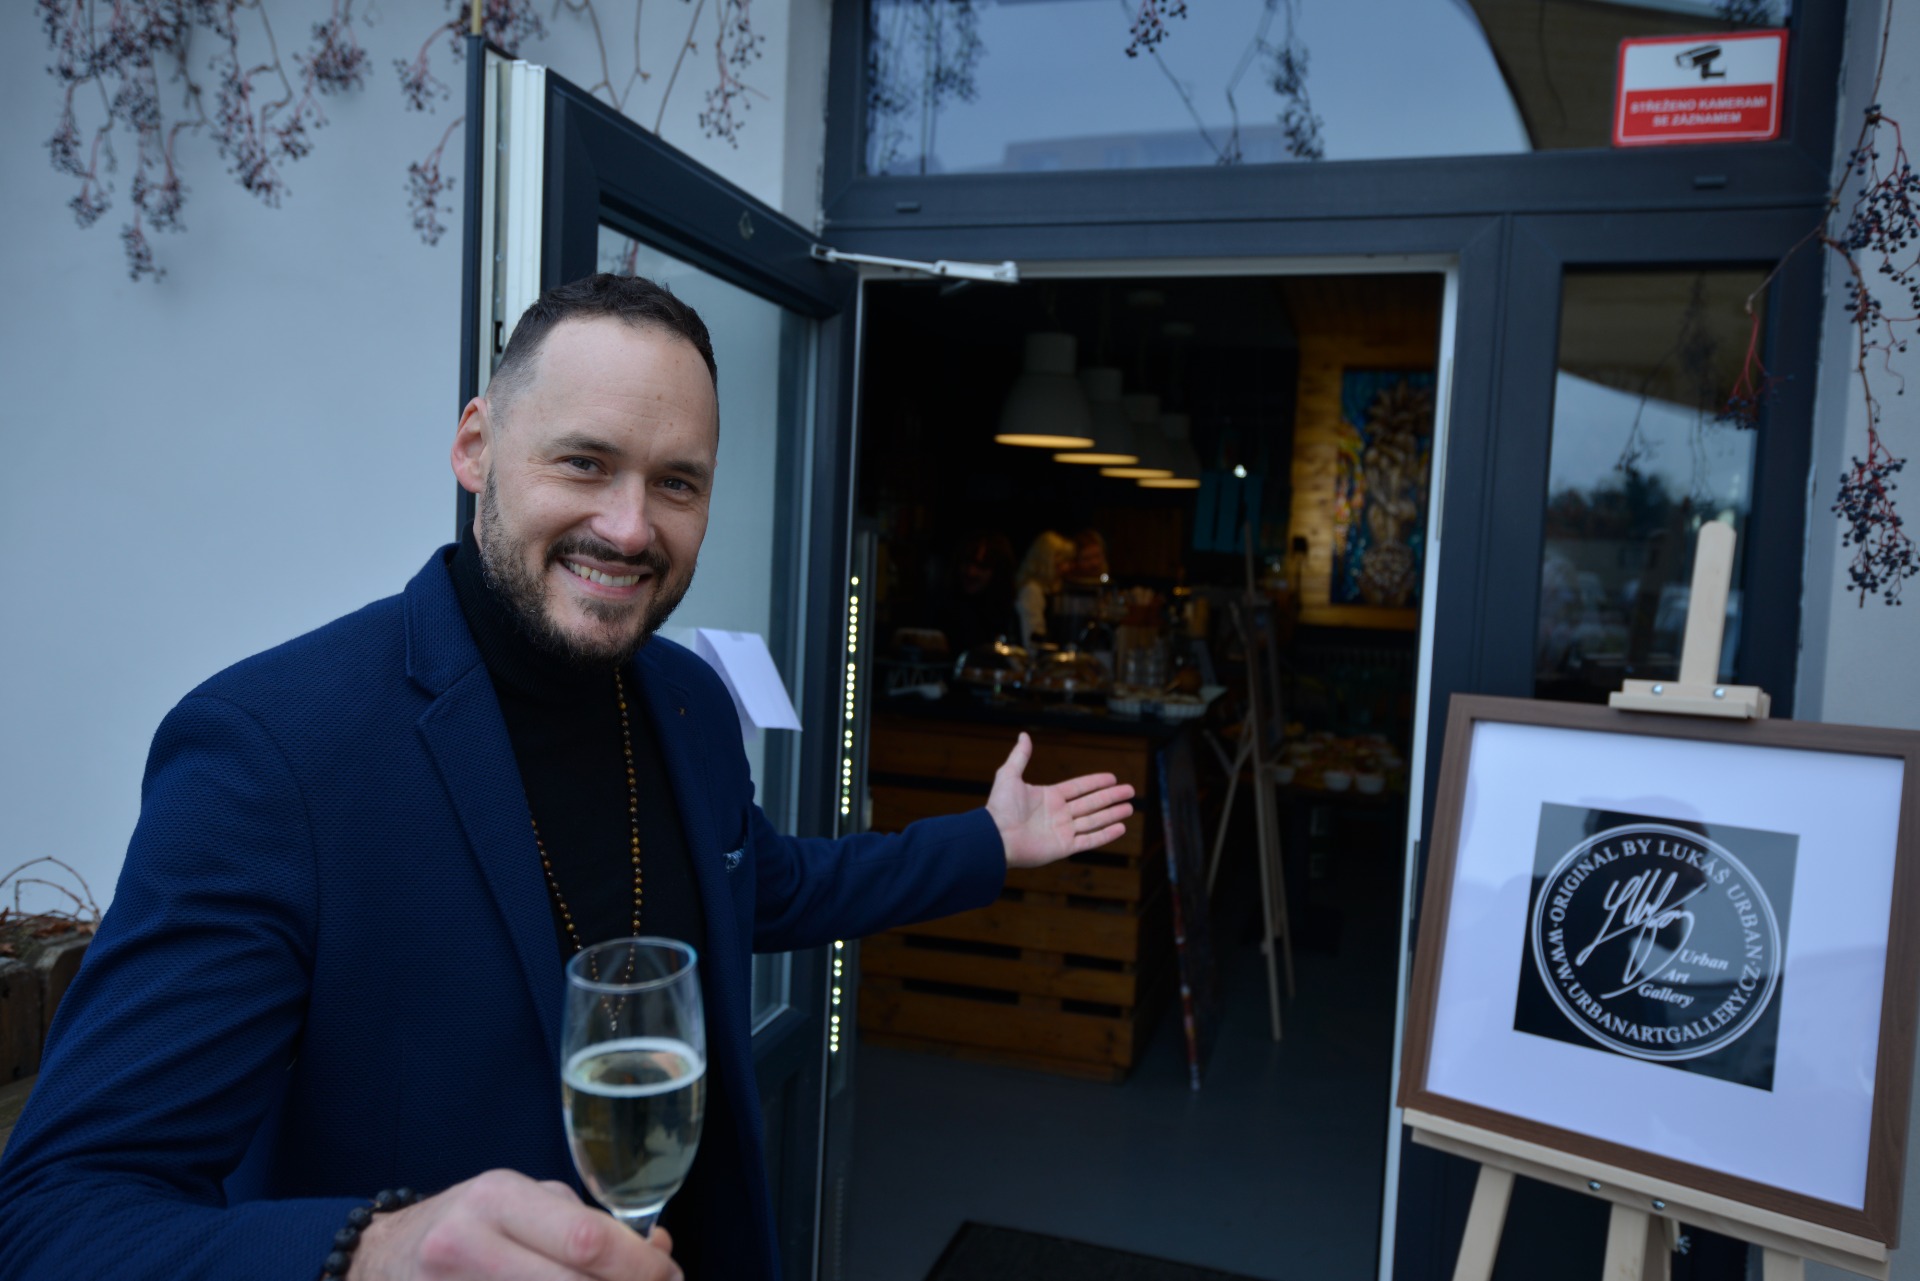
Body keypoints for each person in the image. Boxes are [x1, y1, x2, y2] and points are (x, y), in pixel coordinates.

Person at [0, 275, 1135, 1281]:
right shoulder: (270, 749)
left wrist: (986, 841)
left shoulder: (686, 700)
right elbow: (58, 1216)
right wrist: (368, 1254)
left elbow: (765, 884)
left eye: (677, 483)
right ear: (475, 447)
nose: (630, 527)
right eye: (585, 462)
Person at [1012, 530, 1075, 650]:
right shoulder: (1032, 591)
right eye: (1062, 562)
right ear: (1047, 562)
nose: (1067, 568)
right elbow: (1033, 639)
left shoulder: (1048, 590)